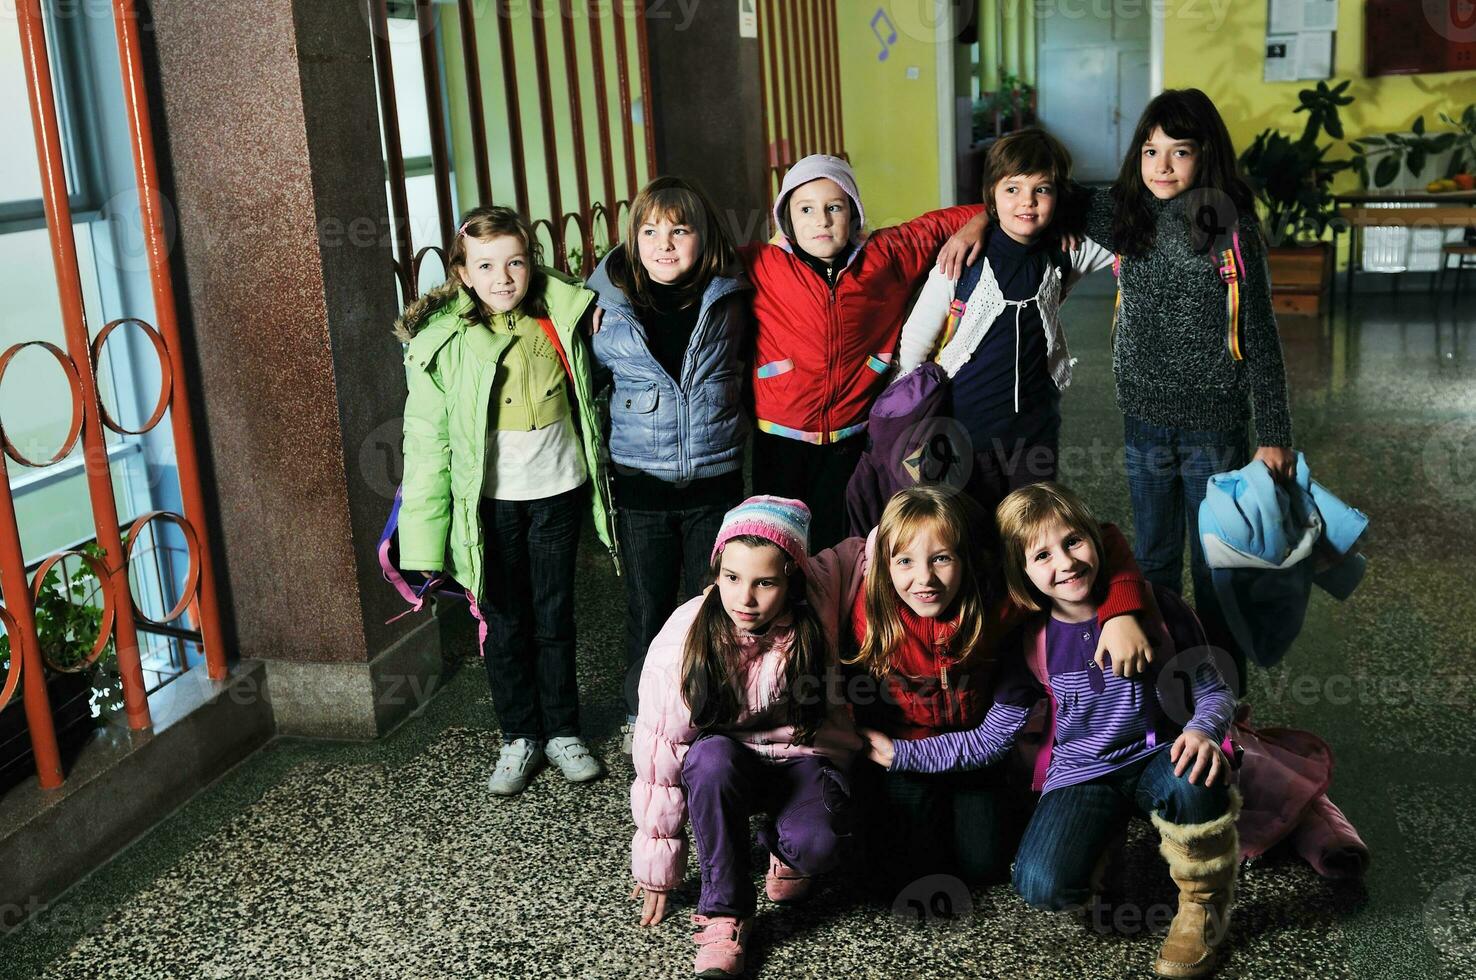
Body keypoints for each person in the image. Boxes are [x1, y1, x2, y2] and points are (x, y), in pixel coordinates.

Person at [862, 482, 1239, 979]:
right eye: (1042, 555)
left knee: (1197, 776)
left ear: (1096, 540)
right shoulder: (1028, 640)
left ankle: (1202, 907)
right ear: (1022, 572)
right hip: (1084, 774)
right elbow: (990, 739)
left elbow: (1216, 690)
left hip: (1159, 753)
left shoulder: (1157, 607)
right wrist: (901, 756)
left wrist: (1203, 730)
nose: (1065, 563)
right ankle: (1104, 839)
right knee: (1041, 884)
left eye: (1074, 542)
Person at [395, 205, 617, 797]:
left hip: (558, 492)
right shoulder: (442, 344)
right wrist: (421, 543)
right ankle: (519, 734)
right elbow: (427, 445)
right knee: (503, 619)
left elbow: (621, 304)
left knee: (555, 613)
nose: (503, 277)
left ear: (531, 264)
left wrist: (594, 310)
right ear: (462, 273)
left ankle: (563, 731)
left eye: (515, 262)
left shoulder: (564, 315)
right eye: (486, 265)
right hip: (489, 506)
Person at [843, 484, 1156, 893]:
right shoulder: (871, 613)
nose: (925, 579)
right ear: (885, 566)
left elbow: (1104, 537)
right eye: (905, 562)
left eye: (941, 559)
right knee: (907, 873)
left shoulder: (998, 599)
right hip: (905, 749)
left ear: (967, 558)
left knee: (984, 865)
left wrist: (1120, 612)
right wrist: (853, 736)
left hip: (980, 748)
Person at [1087, 88, 1295, 685]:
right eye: (1150, 151)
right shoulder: (1125, 216)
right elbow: (1038, 189)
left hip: (1216, 425)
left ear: (1207, 157)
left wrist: (1275, 434)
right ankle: (1162, 695)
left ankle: (1224, 702)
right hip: (1143, 418)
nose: (1162, 166)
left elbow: (1261, 337)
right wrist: (970, 219)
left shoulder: (1231, 230)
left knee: (1214, 569)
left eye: (1179, 152)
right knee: (1152, 560)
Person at [629, 496, 867, 979]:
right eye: (732, 578)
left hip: (804, 757)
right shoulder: (685, 635)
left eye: (765, 582)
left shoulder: (818, 595)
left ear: (793, 580)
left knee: (819, 844)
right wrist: (658, 869)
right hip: (731, 763)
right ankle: (725, 915)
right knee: (707, 759)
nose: (745, 598)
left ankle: (785, 849)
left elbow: (874, 548)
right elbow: (661, 752)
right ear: (717, 572)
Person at [743, 154, 986, 550]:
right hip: (779, 440)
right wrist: (606, 287)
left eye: (834, 207)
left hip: (854, 436)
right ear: (785, 219)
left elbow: (976, 213)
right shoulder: (760, 263)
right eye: (805, 209)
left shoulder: (887, 255)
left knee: (844, 543)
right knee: (777, 544)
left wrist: (973, 226)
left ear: (854, 216)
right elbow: (681, 259)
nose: (820, 220)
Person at [586, 176, 752, 751]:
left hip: (715, 481)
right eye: (649, 231)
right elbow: (583, 385)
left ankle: (709, 712)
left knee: (712, 606)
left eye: (679, 230)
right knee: (647, 607)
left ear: (702, 238)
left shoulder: (731, 295)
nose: (664, 244)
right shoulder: (604, 305)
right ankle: (642, 716)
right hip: (641, 490)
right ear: (633, 240)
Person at [896, 127, 1114, 490]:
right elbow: (915, 343)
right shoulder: (961, 259)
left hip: (1035, 436)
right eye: (1012, 189)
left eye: (1041, 190)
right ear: (992, 197)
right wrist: (908, 423)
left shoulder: (1064, 252)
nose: (1027, 201)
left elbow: (1126, 231)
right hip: (961, 434)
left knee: (1028, 531)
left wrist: (1070, 214)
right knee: (971, 534)